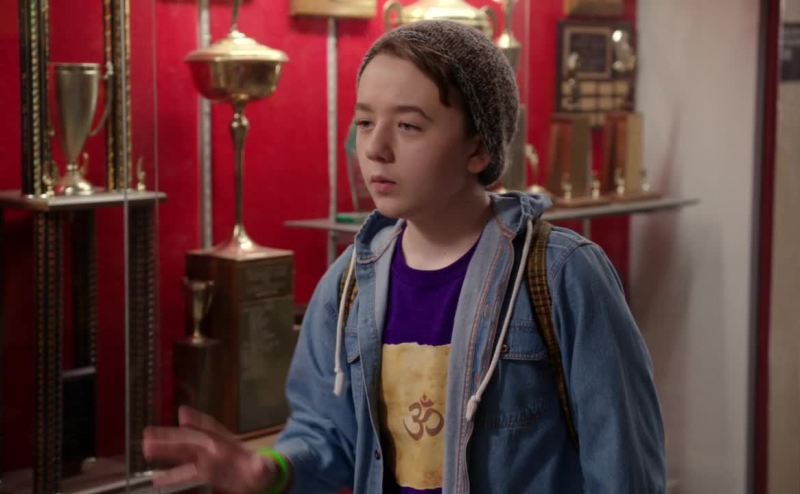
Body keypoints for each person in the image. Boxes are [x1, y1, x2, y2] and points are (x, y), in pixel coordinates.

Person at [143, 20, 665, 493]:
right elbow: (327, 436)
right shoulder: (349, 283)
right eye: (365, 122)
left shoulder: (561, 275)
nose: (375, 149)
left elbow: (623, 465)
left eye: (409, 126)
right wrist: (270, 470)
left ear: (479, 148)